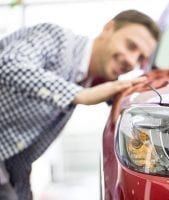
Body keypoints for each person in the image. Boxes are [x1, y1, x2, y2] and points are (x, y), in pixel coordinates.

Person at [0, 9, 160, 200]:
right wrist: (80, 95)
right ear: (108, 28)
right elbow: (9, 63)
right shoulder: (56, 39)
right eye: (130, 46)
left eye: (141, 58)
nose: (131, 61)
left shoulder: (91, 81)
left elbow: (19, 156)